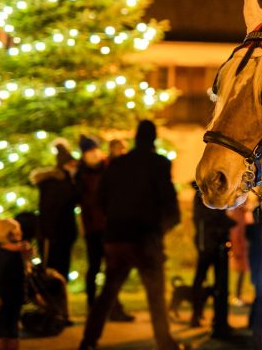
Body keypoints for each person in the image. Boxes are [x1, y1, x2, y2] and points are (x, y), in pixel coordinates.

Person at [79, 120, 181, 350]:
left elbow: (101, 200)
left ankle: (88, 340)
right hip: (146, 238)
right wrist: (160, 229)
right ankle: (164, 342)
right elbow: (169, 204)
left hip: (117, 237)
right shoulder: (159, 164)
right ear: (153, 139)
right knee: (156, 295)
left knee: (107, 293)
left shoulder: (117, 165)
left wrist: (114, 222)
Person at [76, 135, 133, 322]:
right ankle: (93, 307)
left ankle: (114, 308)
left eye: (95, 150)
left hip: (109, 226)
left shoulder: (106, 168)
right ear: (84, 155)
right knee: (94, 268)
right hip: (93, 228)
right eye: (89, 151)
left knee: (112, 269)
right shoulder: (80, 173)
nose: (94, 154)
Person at [30, 139, 79, 282]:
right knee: (54, 268)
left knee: (60, 267)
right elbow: (52, 209)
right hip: (55, 233)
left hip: (61, 232)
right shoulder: (56, 184)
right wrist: (48, 232)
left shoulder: (66, 181)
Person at [190, 181, 235, 328]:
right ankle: (198, 315)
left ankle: (218, 320)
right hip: (209, 244)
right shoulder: (204, 195)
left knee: (218, 284)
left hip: (214, 243)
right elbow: (207, 217)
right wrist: (229, 222)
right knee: (205, 281)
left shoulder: (208, 194)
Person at [0, 218, 32, 350]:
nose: (18, 235)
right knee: (1, 327)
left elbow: (21, 275)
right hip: (1, 296)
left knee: (12, 328)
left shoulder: (17, 251)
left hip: (15, 295)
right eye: (14, 232)